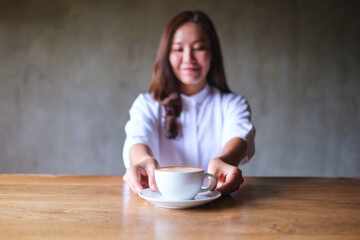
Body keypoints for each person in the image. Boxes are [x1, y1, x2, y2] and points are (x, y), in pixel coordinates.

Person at [122, 10, 255, 195]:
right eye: (178, 49)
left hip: (216, 207)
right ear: (167, 55)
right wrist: (141, 160)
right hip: (159, 208)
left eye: (199, 47)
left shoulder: (233, 104)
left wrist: (225, 160)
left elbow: (240, 136)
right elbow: (138, 136)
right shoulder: (146, 104)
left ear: (213, 53)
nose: (188, 58)